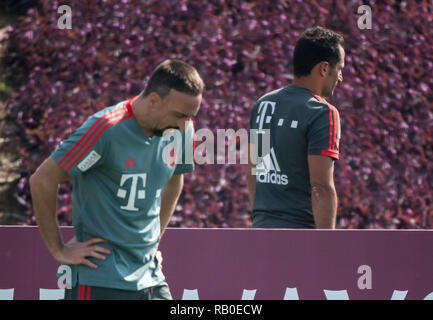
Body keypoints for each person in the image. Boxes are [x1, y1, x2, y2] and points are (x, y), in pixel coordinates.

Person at [29, 59, 204, 299]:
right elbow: (42, 180)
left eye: (191, 116)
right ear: (154, 100)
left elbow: (175, 181)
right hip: (101, 276)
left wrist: (153, 243)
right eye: (181, 115)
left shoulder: (182, 130)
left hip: (150, 276)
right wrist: (58, 249)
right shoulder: (105, 129)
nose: (186, 125)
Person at [246, 26, 345, 229]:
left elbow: (254, 170)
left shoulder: (263, 104)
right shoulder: (323, 112)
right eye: (340, 69)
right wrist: (328, 247)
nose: (340, 77)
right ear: (324, 68)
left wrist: (262, 219)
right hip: (300, 236)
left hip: (260, 230)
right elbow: (321, 187)